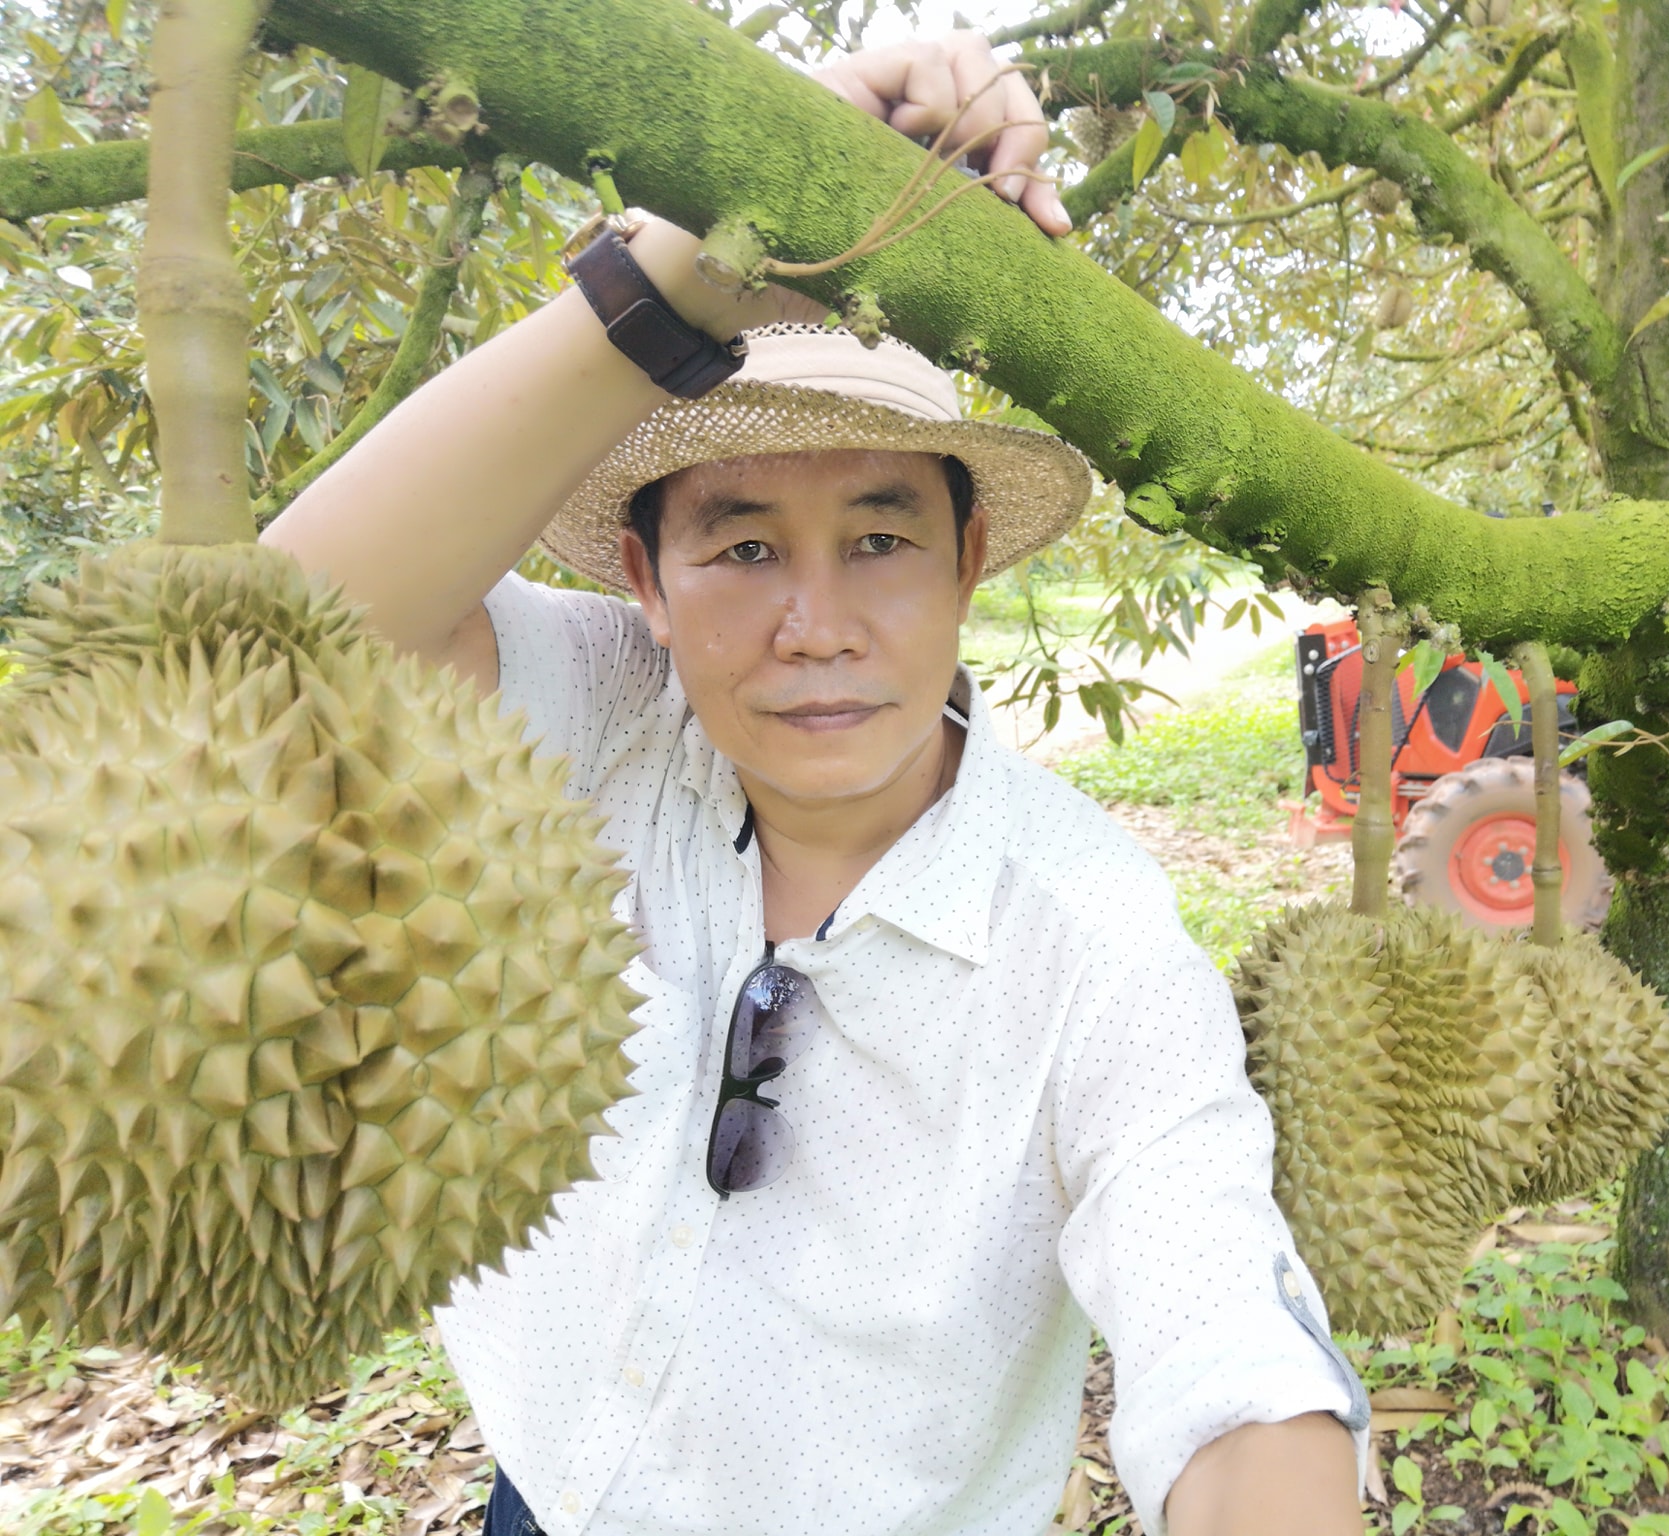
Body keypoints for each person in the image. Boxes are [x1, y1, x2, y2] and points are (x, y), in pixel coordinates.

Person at [263, 30, 1368, 1536]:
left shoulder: (1089, 938)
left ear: (970, 560)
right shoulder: (593, 721)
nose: (819, 626)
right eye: (744, 547)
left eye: (883, 536)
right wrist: (696, 254)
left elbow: (1219, 1320)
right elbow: (287, 640)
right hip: (546, 1499)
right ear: (645, 581)